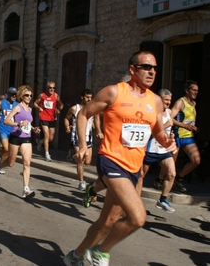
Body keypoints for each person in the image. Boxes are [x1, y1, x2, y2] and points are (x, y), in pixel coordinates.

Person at [63, 51, 176, 266]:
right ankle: (100, 251)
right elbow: (83, 114)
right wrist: (83, 145)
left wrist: (167, 142)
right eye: (146, 67)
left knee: (107, 221)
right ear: (133, 69)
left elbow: (159, 132)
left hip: (134, 167)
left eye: (154, 68)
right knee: (137, 217)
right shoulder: (114, 92)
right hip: (111, 160)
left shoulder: (156, 101)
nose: (152, 71)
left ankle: (75, 256)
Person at [0, 85, 41, 198]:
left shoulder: (30, 109)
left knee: (27, 163)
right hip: (15, 137)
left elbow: (27, 123)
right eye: (26, 95)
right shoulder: (17, 108)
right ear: (22, 96)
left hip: (26, 137)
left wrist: (34, 129)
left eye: (30, 95)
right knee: (10, 162)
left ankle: (25, 189)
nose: (29, 97)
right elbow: (7, 121)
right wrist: (18, 124)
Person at [137, 89, 176, 213]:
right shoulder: (151, 112)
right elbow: (149, 130)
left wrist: (171, 137)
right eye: (166, 100)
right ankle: (135, 205)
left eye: (170, 100)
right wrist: (165, 126)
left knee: (171, 173)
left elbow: (168, 131)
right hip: (150, 149)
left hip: (163, 150)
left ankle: (162, 199)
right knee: (140, 176)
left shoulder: (169, 113)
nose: (169, 103)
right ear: (159, 100)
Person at [64, 89, 103, 191]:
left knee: (88, 161)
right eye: (87, 97)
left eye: (91, 97)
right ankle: (81, 182)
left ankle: (72, 154)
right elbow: (66, 118)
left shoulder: (93, 109)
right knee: (80, 161)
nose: (89, 99)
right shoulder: (74, 109)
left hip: (88, 137)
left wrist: (98, 130)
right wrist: (67, 127)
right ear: (82, 97)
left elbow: (97, 118)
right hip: (77, 137)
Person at [170, 80, 201, 193]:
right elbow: (170, 119)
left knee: (196, 160)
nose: (196, 92)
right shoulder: (180, 102)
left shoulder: (194, 104)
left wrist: (194, 128)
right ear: (187, 90)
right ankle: (162, 182)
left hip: (188, 136)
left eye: (197, 91)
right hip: (178, 136)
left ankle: (179, 178)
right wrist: (183, 125)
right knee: (171, 164)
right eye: (194, 90)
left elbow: (190, 121)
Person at [33, 81, 64, 162]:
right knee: (46, 135)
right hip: (44, 117)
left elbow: (61, 104)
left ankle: (40, 141)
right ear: (47, 88)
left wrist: (59, 110)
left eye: (53, 88)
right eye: (50, 88)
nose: (51, 89)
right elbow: (35, 103)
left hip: (52, 118)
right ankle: (47, 154)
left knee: (50, 138)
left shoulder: (56, 96)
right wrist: (39, 108)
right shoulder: (42, 95)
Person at [0, 87, 18, 168]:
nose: (14, 96)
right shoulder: (1, 103)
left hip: (12, 129)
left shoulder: (17, 105)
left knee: (8, 150)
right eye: (12, 94)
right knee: (6, 149)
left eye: (15, 94)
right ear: (8, 94)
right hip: (2, 128)